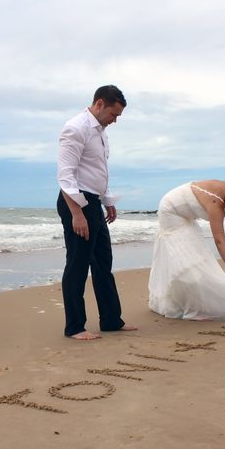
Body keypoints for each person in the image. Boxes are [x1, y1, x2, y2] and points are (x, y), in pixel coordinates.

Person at [56, 85, 139, 340]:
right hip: (77, 203)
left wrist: (107, 200)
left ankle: (112, 320)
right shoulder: (76, 128)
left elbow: (96, 172)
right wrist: (77, 214)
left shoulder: (100, 131)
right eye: (114, 114)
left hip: (93, 201)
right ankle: (75, 327)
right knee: (78, 265)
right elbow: (66, 175)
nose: (114, 121)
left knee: (103, 264)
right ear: (100, 104)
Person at [149, 175, 225, 320]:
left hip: (185, 215)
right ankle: (188, 304)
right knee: (188, 264)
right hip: (171, 213)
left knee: (196, 260)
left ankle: (190, 300)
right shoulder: (216, 201)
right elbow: (220, 241)